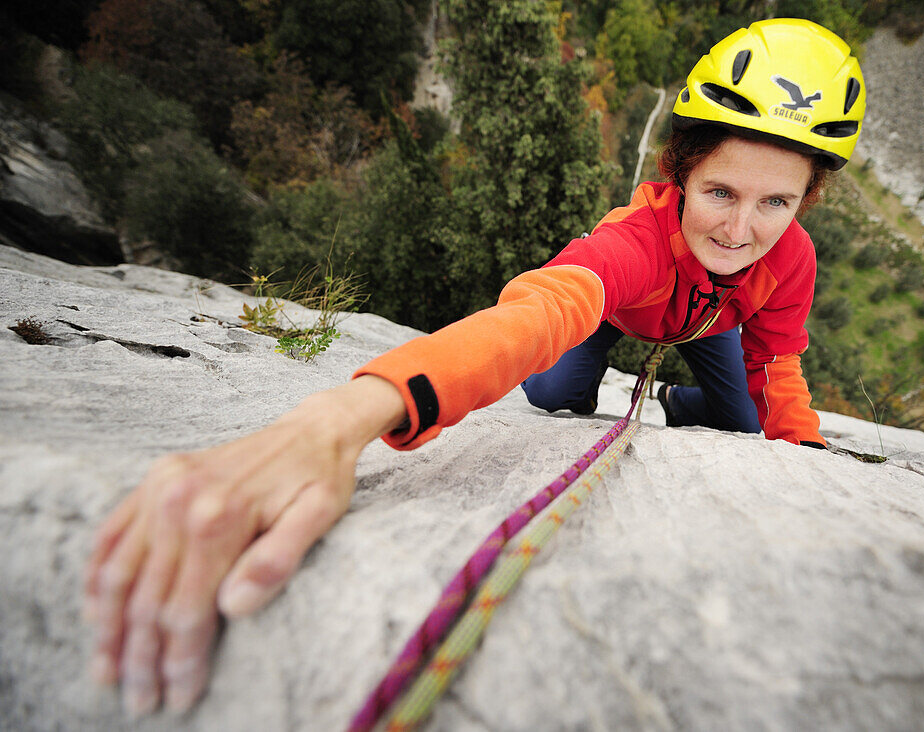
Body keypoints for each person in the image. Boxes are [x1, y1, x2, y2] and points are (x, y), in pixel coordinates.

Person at [83, 17, 866, 716]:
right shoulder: (634, 239)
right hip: (612, 308)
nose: (739, 228)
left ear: (806, 201)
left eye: (777, 203)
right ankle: (609, 382)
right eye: (720, 191)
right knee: (558, 393)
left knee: (742, 422)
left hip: (707, 327)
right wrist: (344, 416)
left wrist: (804, 454)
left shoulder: (790, 260)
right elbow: (538, 313)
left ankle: (673, 399)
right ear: (680, 176)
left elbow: (779, 362)